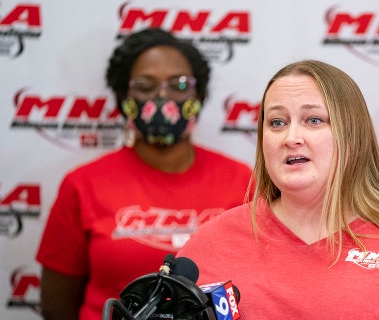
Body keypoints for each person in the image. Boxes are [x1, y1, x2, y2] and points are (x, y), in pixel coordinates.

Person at [178, 59, 379, 319]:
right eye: (277, 123)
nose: (291, 137)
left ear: (352, 137)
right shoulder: (209, 246)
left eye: (314, 120)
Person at [35, 28, 252, 320]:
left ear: (198, 95)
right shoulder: (83, 185)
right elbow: (57, 307)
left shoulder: (242, 181)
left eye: (178, 84)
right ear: (124, 96)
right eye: (145, 86)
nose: (162, 98)